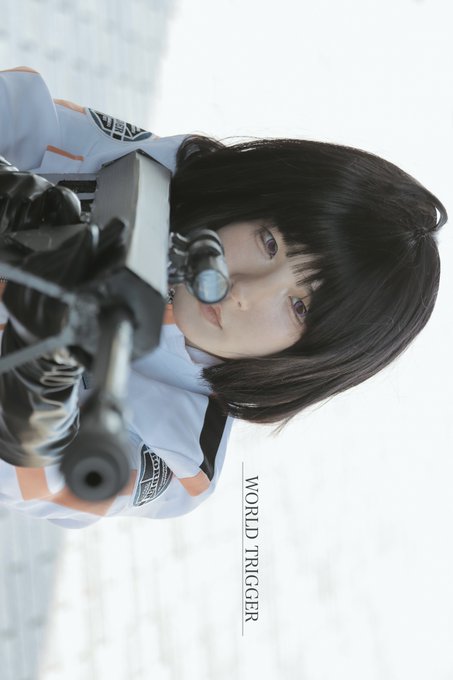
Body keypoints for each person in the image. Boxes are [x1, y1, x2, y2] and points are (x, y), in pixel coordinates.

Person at [0, 67, 447, 528]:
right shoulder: (149, 170)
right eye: (269, 244)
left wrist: (39, 381)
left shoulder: (183, 455)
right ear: (252, 202)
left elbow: (38, 481)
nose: (245, 291)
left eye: (299, 307)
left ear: (316, 358)